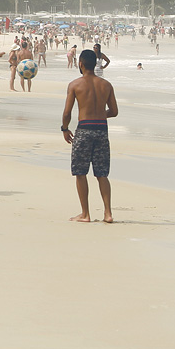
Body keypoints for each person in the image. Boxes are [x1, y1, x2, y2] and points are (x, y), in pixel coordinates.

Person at [62, 49, 119, 223]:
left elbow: (67, 112)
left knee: (80, 172)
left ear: (80, 63)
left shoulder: (75, 85)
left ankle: (85, 214)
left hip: (84, 129)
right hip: (101, 129)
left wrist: (64, 128)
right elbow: (114, 112)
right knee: (102, 173)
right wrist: (100, 114)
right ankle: (108, 213)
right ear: (95, 64)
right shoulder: (106, 85)